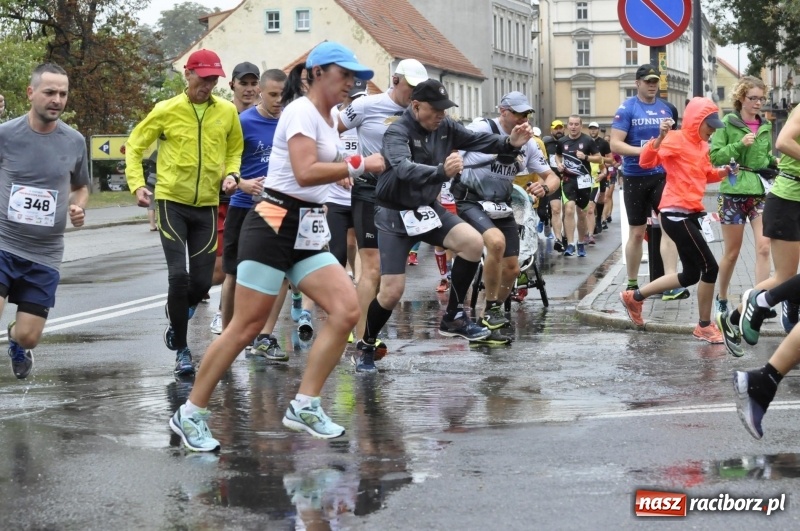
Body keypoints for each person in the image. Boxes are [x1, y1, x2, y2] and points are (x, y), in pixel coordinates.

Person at [169, 41, 383, 450]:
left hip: (307, 225)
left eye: (356, 78)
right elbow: (303, 172)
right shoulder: (301, 109)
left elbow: (313, 167)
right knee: (246, 327)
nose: (351, 84)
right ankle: (190, 412)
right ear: (316, 73)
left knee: (346, 309)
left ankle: (305, 404)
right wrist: (356, 166)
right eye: (345, 75)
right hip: (272, 220)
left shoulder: (330, 115)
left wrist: (337, 173)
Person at [353, 79, 537, 373]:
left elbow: (477, 140)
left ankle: (453, 316)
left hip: (427, 208)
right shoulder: (397, 131)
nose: (441, 115)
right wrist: (441, 171)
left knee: (473, 243)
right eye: (435, 109)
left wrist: (509, 143)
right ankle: (367, 344)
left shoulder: (446, 127)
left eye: (444, 109)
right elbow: (402, 168)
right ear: (415, 106)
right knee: (391, 291)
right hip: (394, 213)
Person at [126, 49, 244, 377]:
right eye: (203, 78)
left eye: (213, 79)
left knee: (203, 282)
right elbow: (135, 146)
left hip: (207, 205)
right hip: (171, 203)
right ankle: (181, 347)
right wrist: (137, 185)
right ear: (188, 75)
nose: (208, 85)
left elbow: (235, 148)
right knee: (178, 276)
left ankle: (175, 311)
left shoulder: (226, 113)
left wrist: (231, 174)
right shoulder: (166, 110)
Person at [0, 63, 89, 379]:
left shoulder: (74, 141)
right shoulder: (6, 134)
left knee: (29, 337)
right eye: (50, 92)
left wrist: (78, 207)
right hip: (3, 243)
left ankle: (15, 339)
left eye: (63, 93)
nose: (57, 99)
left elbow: (80, 186)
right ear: (31, 93)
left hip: (45, 255)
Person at [619, 97, 731, 344]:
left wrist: (724, 172)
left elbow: (705, 175)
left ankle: (634, 297)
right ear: (695, 121)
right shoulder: (676, 139)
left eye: (713, 125)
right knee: (710, 267)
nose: (712, 130)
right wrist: (659, 138)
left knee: (691, 274)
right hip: (674, 213)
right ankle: (703, 325)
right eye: (708, 125)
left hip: (689, 214)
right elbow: (646, 161)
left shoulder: (702, 146)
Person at [338, 58, 429, 358]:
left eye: (420, 90)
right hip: (368, 189)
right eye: (411, 88)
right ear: (396, 80)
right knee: (372, 267)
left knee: (391, 273)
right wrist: (343, 167)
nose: (414, 95)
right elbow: (330, 130)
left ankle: (368, 329)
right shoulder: (366, 106)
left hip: (402, 193)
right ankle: (364, 335)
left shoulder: (419, 113)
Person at [452, 91, 559, 343]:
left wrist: (544, 187)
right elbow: (452, 146)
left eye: (526, 114)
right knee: (496, 243)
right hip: (470, 199)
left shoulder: (529, 142)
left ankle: (489, 316)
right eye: (518, 113)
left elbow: (552, 177)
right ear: (503, 111)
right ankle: (490, 308)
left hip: (500, 204)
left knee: (512, 267)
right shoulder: (482, 127)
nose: (523, 119)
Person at [717, 100, 800, 354]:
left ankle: (785, 309)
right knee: (783, 277)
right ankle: (748, 309)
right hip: (788, 201)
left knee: (787, 277)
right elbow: (783, 141)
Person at [220, 68, 287, 361]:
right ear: (260, 92)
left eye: (283, 95)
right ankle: (226, 338)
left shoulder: (289, 122)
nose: (278, 100)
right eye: (272, 94)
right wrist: (242, 184)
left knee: (279, 273)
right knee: (235, 273)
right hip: (244, 206)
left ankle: (265, 337)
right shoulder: (243, 121)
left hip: (275, 208)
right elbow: (223, 162)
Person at [610, 64, 686, 301]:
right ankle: (632, 283)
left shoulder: (668, 109)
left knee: (669, 227)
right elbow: (615, 145)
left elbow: (676, 141)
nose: (652, 85)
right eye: (648, 81)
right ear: (638, 83)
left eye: (655, 81)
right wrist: (644, 150)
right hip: (635, 176)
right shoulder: (627, 109)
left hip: (662, 175)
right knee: (636, 232)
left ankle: (671, 282)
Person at [709, 76, 776, 317]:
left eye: (761, 98)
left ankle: (758, 301)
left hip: (758, 192)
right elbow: (715, 157)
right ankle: (722, 296)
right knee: (733, 252)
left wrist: (774, 162)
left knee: (764, 247)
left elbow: (764, 158)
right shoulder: (727, 123)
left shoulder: (765, 125)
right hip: (733, 194)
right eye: (753, 98)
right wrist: (740, 145)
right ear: (741, 98)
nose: (758, 103)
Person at [210, 61, 264, 335]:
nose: (249, 89)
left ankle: (252, 329)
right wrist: (236, 182)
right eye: (244, 83)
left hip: (260, 202)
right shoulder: (223, 115)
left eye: (254, 84)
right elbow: (216, 158)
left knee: (259, 265)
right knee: (221, 270)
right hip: (223, 199)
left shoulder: (265, 116)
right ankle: (192, 300)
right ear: (232, 85)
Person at [555, 114, 600, 257]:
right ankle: (570, 244)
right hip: (568, 180)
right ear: (567, 126)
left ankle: (581, 243)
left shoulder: (587, 140)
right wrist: (559, 164)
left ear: (581, 126)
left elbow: (599, 158)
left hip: (584, 181)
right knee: (568, 210)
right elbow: (557, 156)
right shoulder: (562, 141)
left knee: (581, 213)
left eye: (576, 124)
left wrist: (586, 157)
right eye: (571, 124)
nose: (573, 127)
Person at [542, 120, 565, 247]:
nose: (559, 130)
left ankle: (567, 237)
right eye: (556, 128)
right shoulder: (546, 144)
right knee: (555, 209)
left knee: (568, 211)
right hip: (553, 179)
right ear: (551, 131)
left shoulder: (568, 142)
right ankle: (558, 239)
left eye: (561, 128)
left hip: (568, 180)